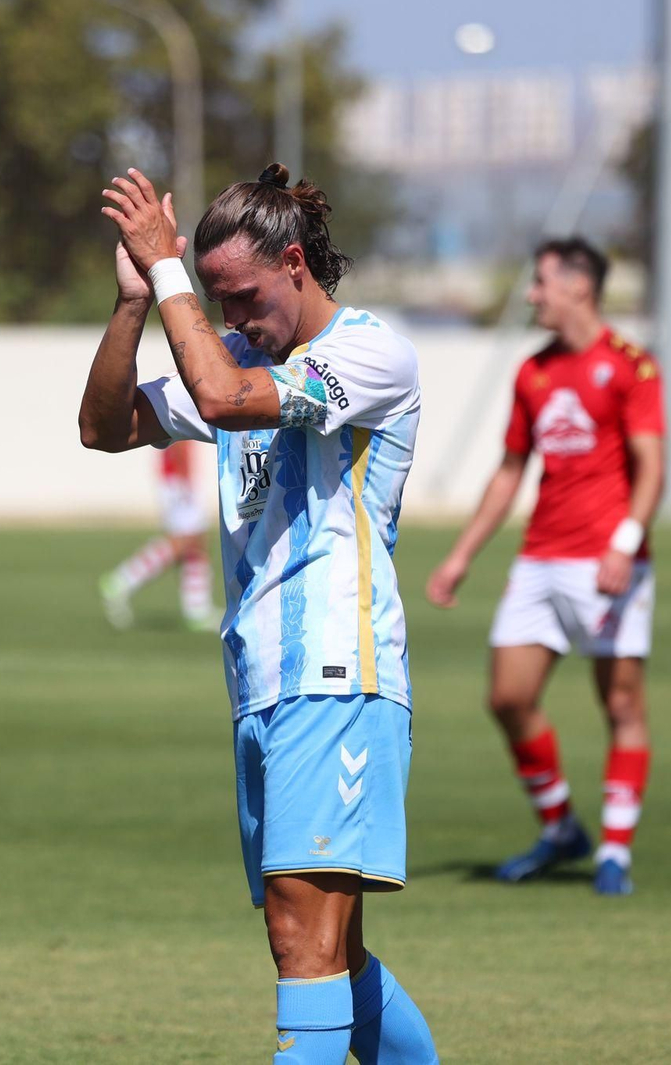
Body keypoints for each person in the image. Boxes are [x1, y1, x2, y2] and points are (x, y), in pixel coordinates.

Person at [81, 164, 438, 1063]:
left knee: (300, 941)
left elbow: (223, 399)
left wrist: (169, 270)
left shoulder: (370, 353)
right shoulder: (237, 354)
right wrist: (134, 301)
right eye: (218, 301)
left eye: (242, 296)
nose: (232, 317)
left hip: (337, 671)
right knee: (326, 951)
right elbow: (105, 427)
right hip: (261, 683)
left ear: (294, 263)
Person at [424, 236, 666, 897]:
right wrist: (461, 556)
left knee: (621, 702)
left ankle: (615, 850)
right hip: (540, 558)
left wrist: (625, 542)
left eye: (541, 282)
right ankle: (560, 828)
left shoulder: (631, 366)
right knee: (507, 698)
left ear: (578, 287)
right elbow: (510, 472)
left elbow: (652, 467)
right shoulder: (532, 371)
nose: (532, 294)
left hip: (609, 563)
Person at [98, 439, 218, 631]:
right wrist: (185, 479)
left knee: (196, 543)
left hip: (177, 478)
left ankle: (197, 610)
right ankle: (120, 581)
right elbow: (181, 440)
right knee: (184, 541)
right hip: (179, 481)